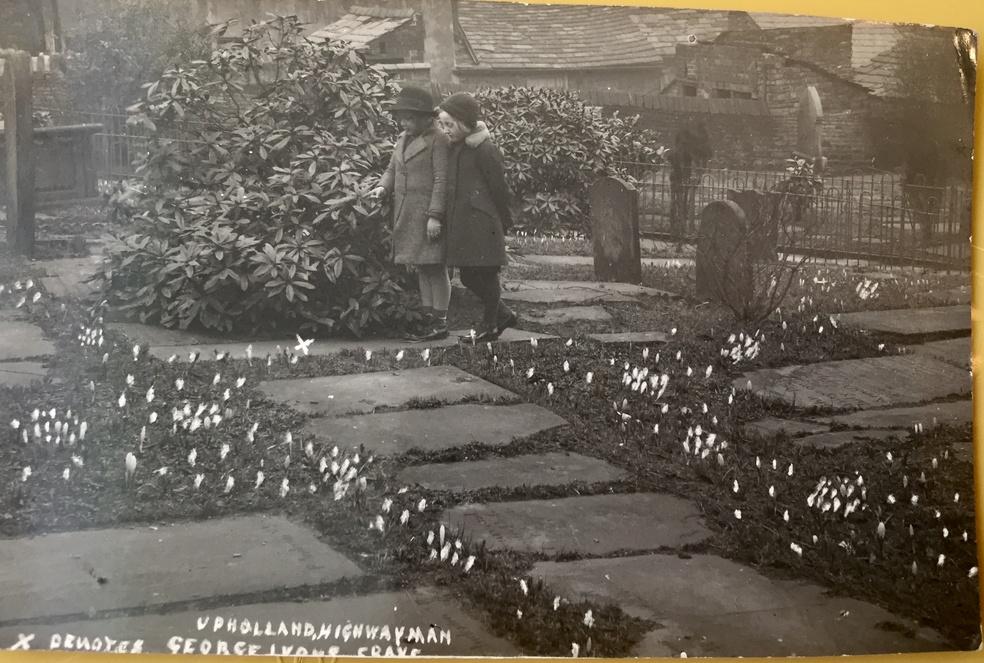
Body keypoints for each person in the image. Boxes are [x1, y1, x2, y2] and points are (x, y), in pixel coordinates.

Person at [370, 85, 451, 341]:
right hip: (407, 213)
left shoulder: (439, 140)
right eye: (402, 117)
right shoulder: (402, 140)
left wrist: (435, 215)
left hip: (427, 215)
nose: (405, 122)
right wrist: (382, 187)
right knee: (422, 266)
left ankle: (440, 320)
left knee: (435, 267)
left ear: (427, 117)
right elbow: (392, 169)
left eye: (410, 117)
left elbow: (442, 179)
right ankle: (428, 318)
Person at [437, 92, 517, 343]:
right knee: (470, 275)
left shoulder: (484, 149)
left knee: (483, 274)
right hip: (464, 222)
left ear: (463, 122)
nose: (445, 130)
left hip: (482, 222)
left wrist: (504, 220)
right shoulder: (458, 147)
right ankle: (501, 315)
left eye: (449, 124)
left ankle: (491, 324)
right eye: (443, 124)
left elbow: (499, 188)